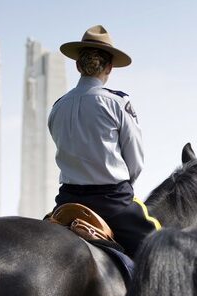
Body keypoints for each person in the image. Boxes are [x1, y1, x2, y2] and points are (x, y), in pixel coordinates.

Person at [48, 25, 160, 257]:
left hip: (66, 202)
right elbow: (135, 162)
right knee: (160, 251)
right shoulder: (117, 103)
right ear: (109, 67)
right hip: (112, 202)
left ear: (78, 66)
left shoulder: (57, 107)